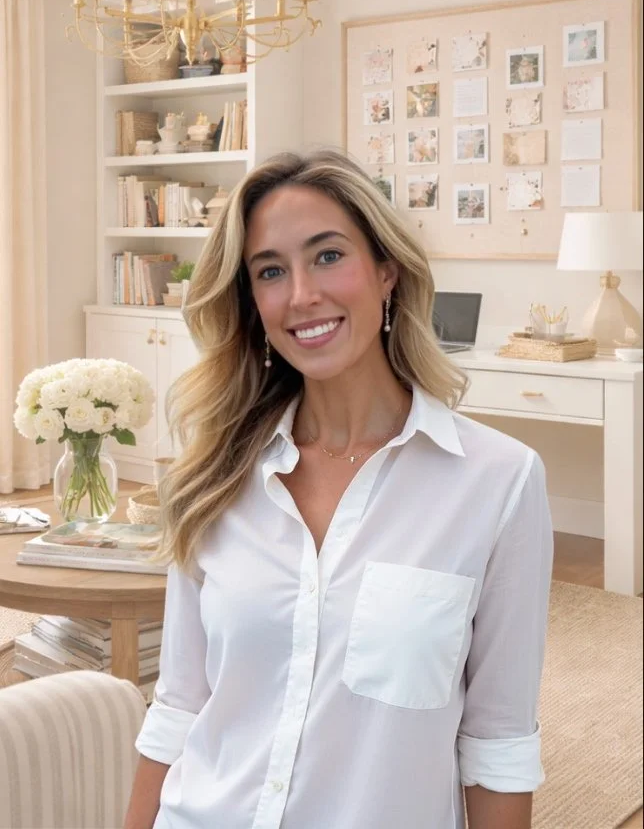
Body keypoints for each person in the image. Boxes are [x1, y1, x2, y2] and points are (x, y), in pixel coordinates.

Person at [124, 149, 553, 829]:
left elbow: (498, 745)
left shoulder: (499, 481)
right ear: (253, 303)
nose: (301, 295)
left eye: (327, 256)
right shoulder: (211, 477)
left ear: (386, 272)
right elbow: (180, 706)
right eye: (270, 271)